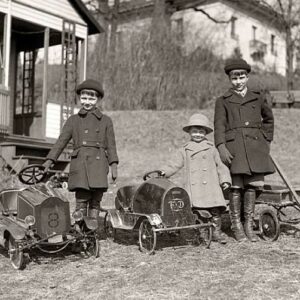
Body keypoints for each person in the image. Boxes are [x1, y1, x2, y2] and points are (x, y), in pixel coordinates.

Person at [214, 58, 275, 242]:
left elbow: (269, 119)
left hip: (256, 147)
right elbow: (219, 126)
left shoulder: (258, 96)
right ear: (230, 80)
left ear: (247, 77)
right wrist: (221, 146)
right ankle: (236, 225)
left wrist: (266, 139)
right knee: (236, 186)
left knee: (252, 185)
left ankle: (248, 223)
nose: (238, 81)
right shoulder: (223, 100)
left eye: (241, 77)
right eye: (234, 78)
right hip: (235, 148)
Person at [43, 79, 119, 222]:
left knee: (95, 202)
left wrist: (113, 164)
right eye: (84, 98)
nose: (87, 102)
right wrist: (49, 160)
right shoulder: (73, 120)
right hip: (80, 166)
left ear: (99, 100)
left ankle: (93, 232)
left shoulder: (106, 121)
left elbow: (111, 145)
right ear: (79, 98)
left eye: (91, 98)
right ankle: (81, 230)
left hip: (99, 165)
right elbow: (61, 142)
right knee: (81, 201)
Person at [160, 113, 231, 244]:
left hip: (211, 187)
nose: (198, 134)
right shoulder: (185, 150)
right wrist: (164, 172)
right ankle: (202, 232)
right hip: (195, 188)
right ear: (189, 133)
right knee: (199, 212)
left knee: (215, 211)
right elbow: (174, 164)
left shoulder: (212, 149)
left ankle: (216, 232)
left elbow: (220, 166)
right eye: (194, 132)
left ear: (205, 133)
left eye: (201, 132)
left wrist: (225, 180)